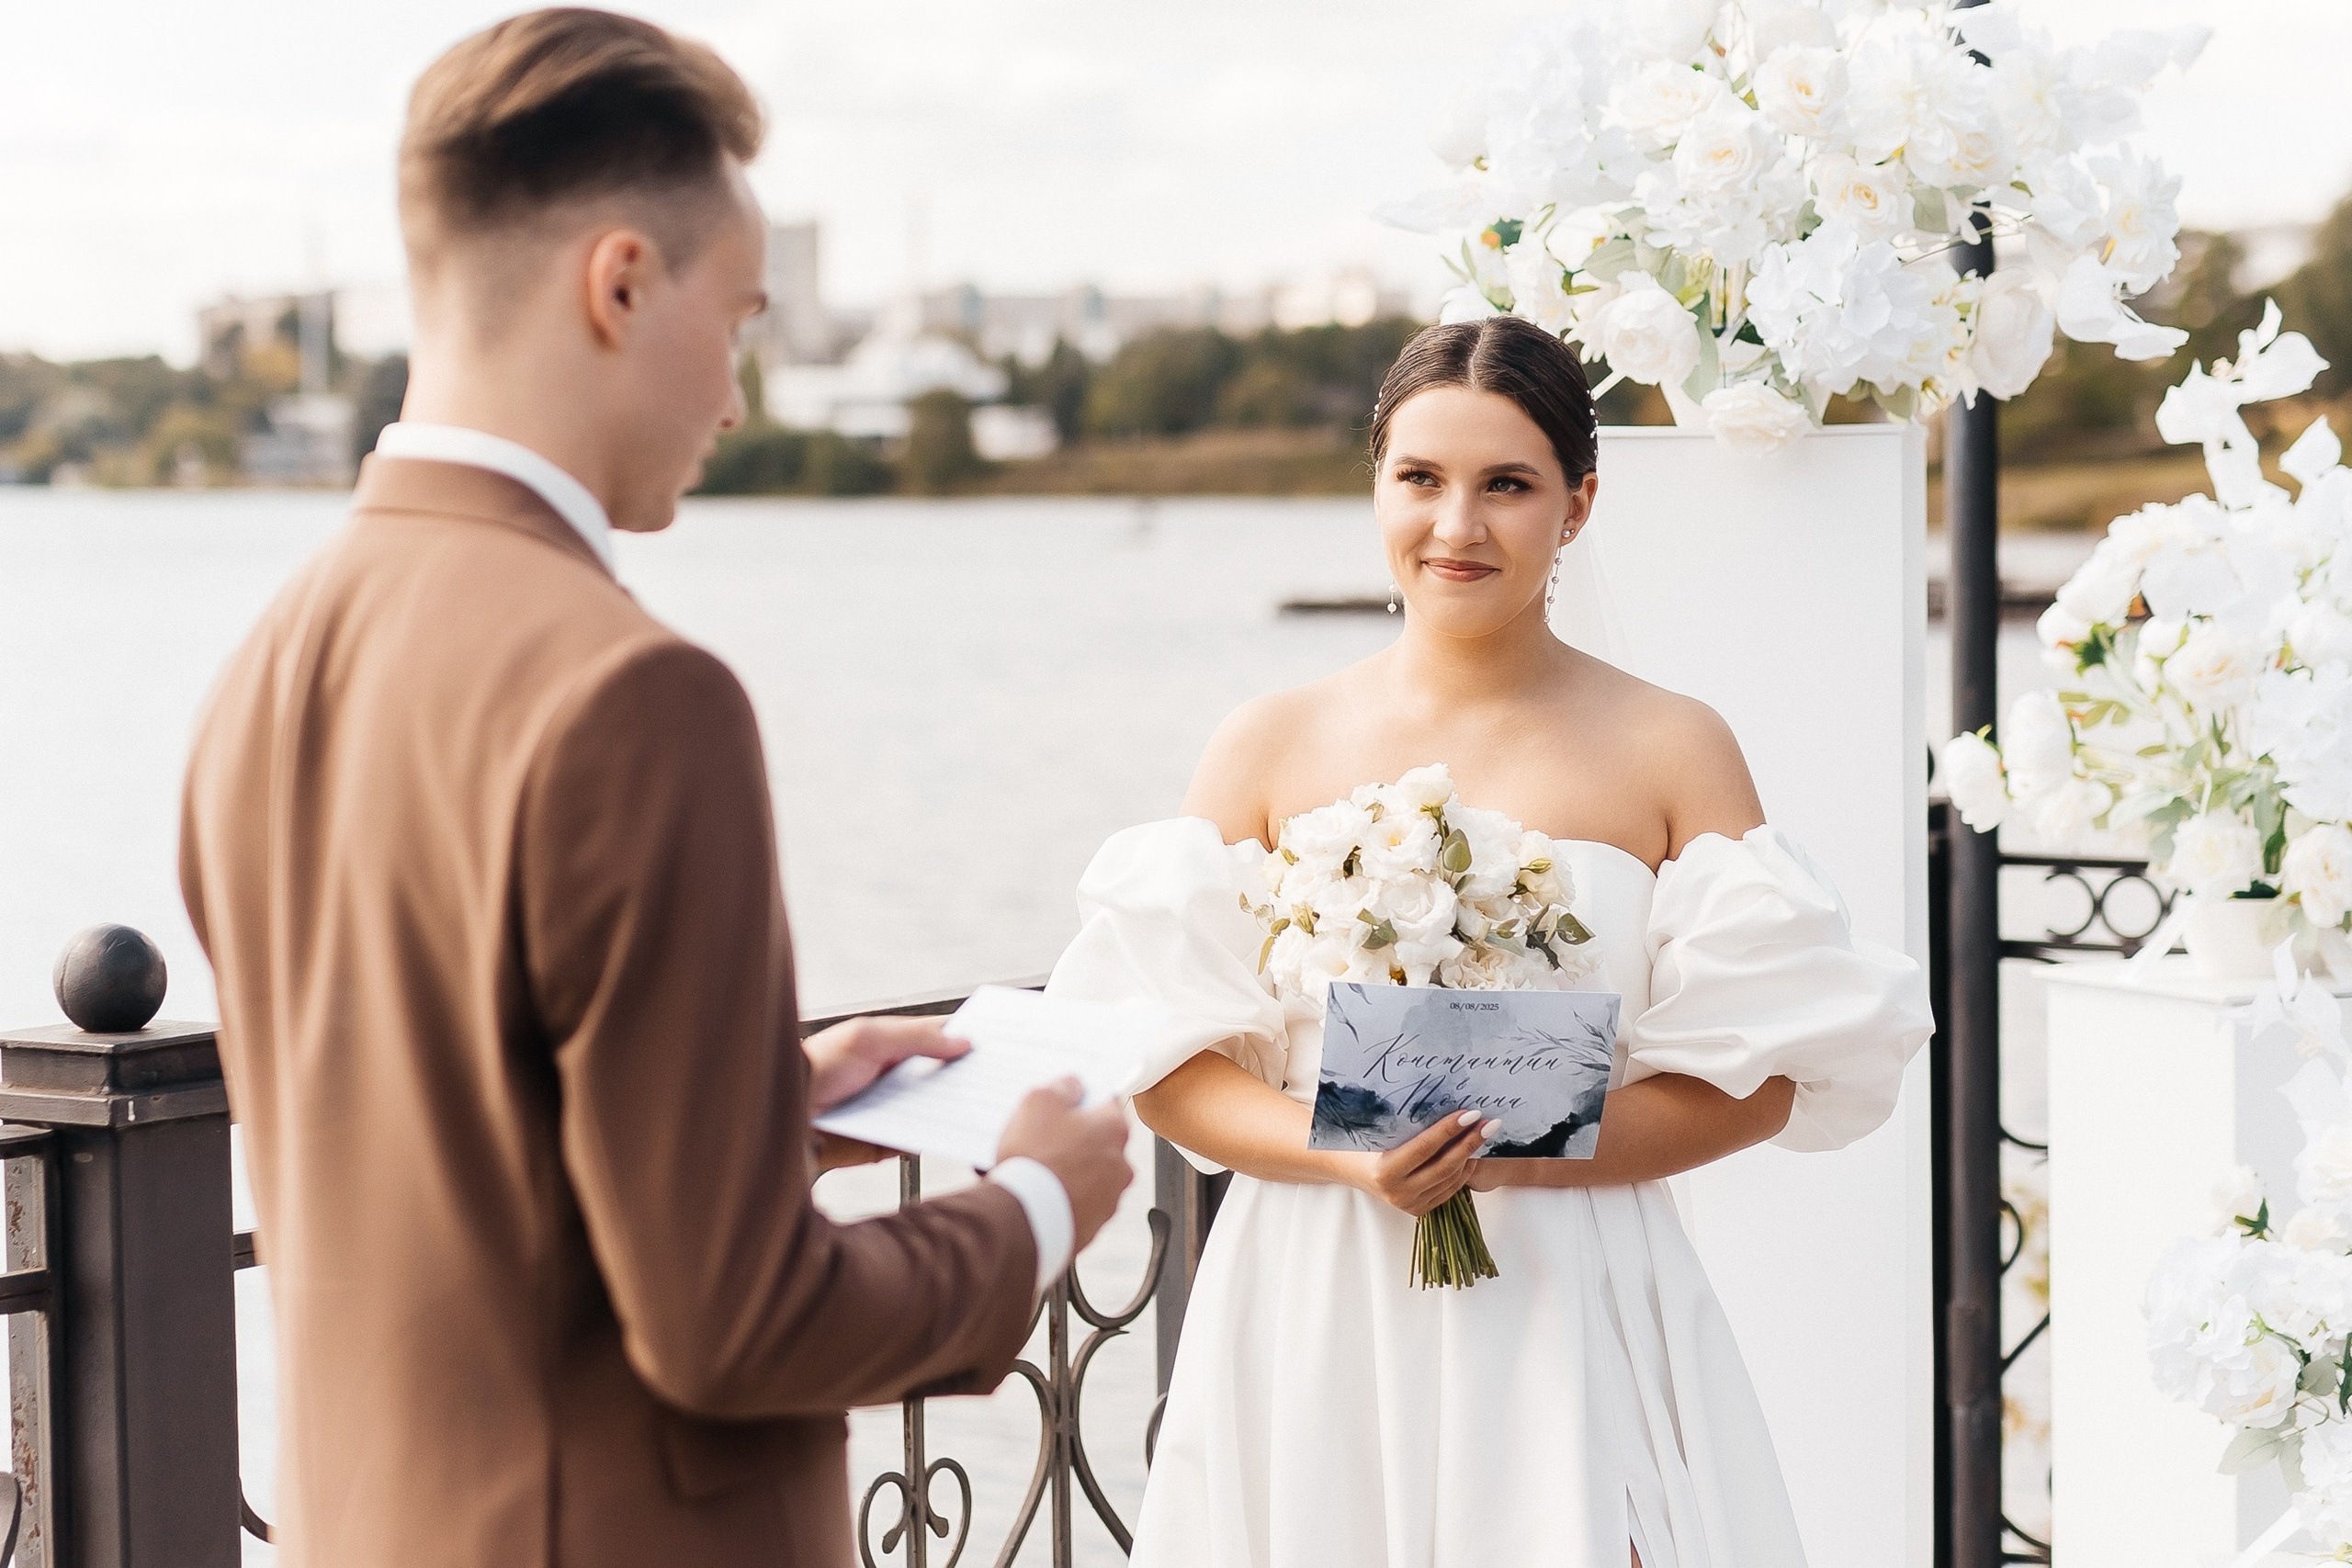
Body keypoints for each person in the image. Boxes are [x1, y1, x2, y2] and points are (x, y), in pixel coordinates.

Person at [177, 12, 1131, 1567]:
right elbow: (734, 1328)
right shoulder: (634, 695)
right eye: (739, 319)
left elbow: (442, 1156)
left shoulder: (270, 662)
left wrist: (757, 1110)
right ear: (619, 283)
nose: (737, 397)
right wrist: (1032, 1204)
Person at [1047, 315, 1934, 1568]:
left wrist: (1522, 1158)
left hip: (1568, 1293)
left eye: (1507, 485)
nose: (1456, 526)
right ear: (1377, 485)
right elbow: (1166, 1067)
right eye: (1421, 478)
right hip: (1317, 1294)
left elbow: (1765, 1081)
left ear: (1578, 505)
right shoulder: (1268, 742)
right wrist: (1355, 1159)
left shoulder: (1674, 746)